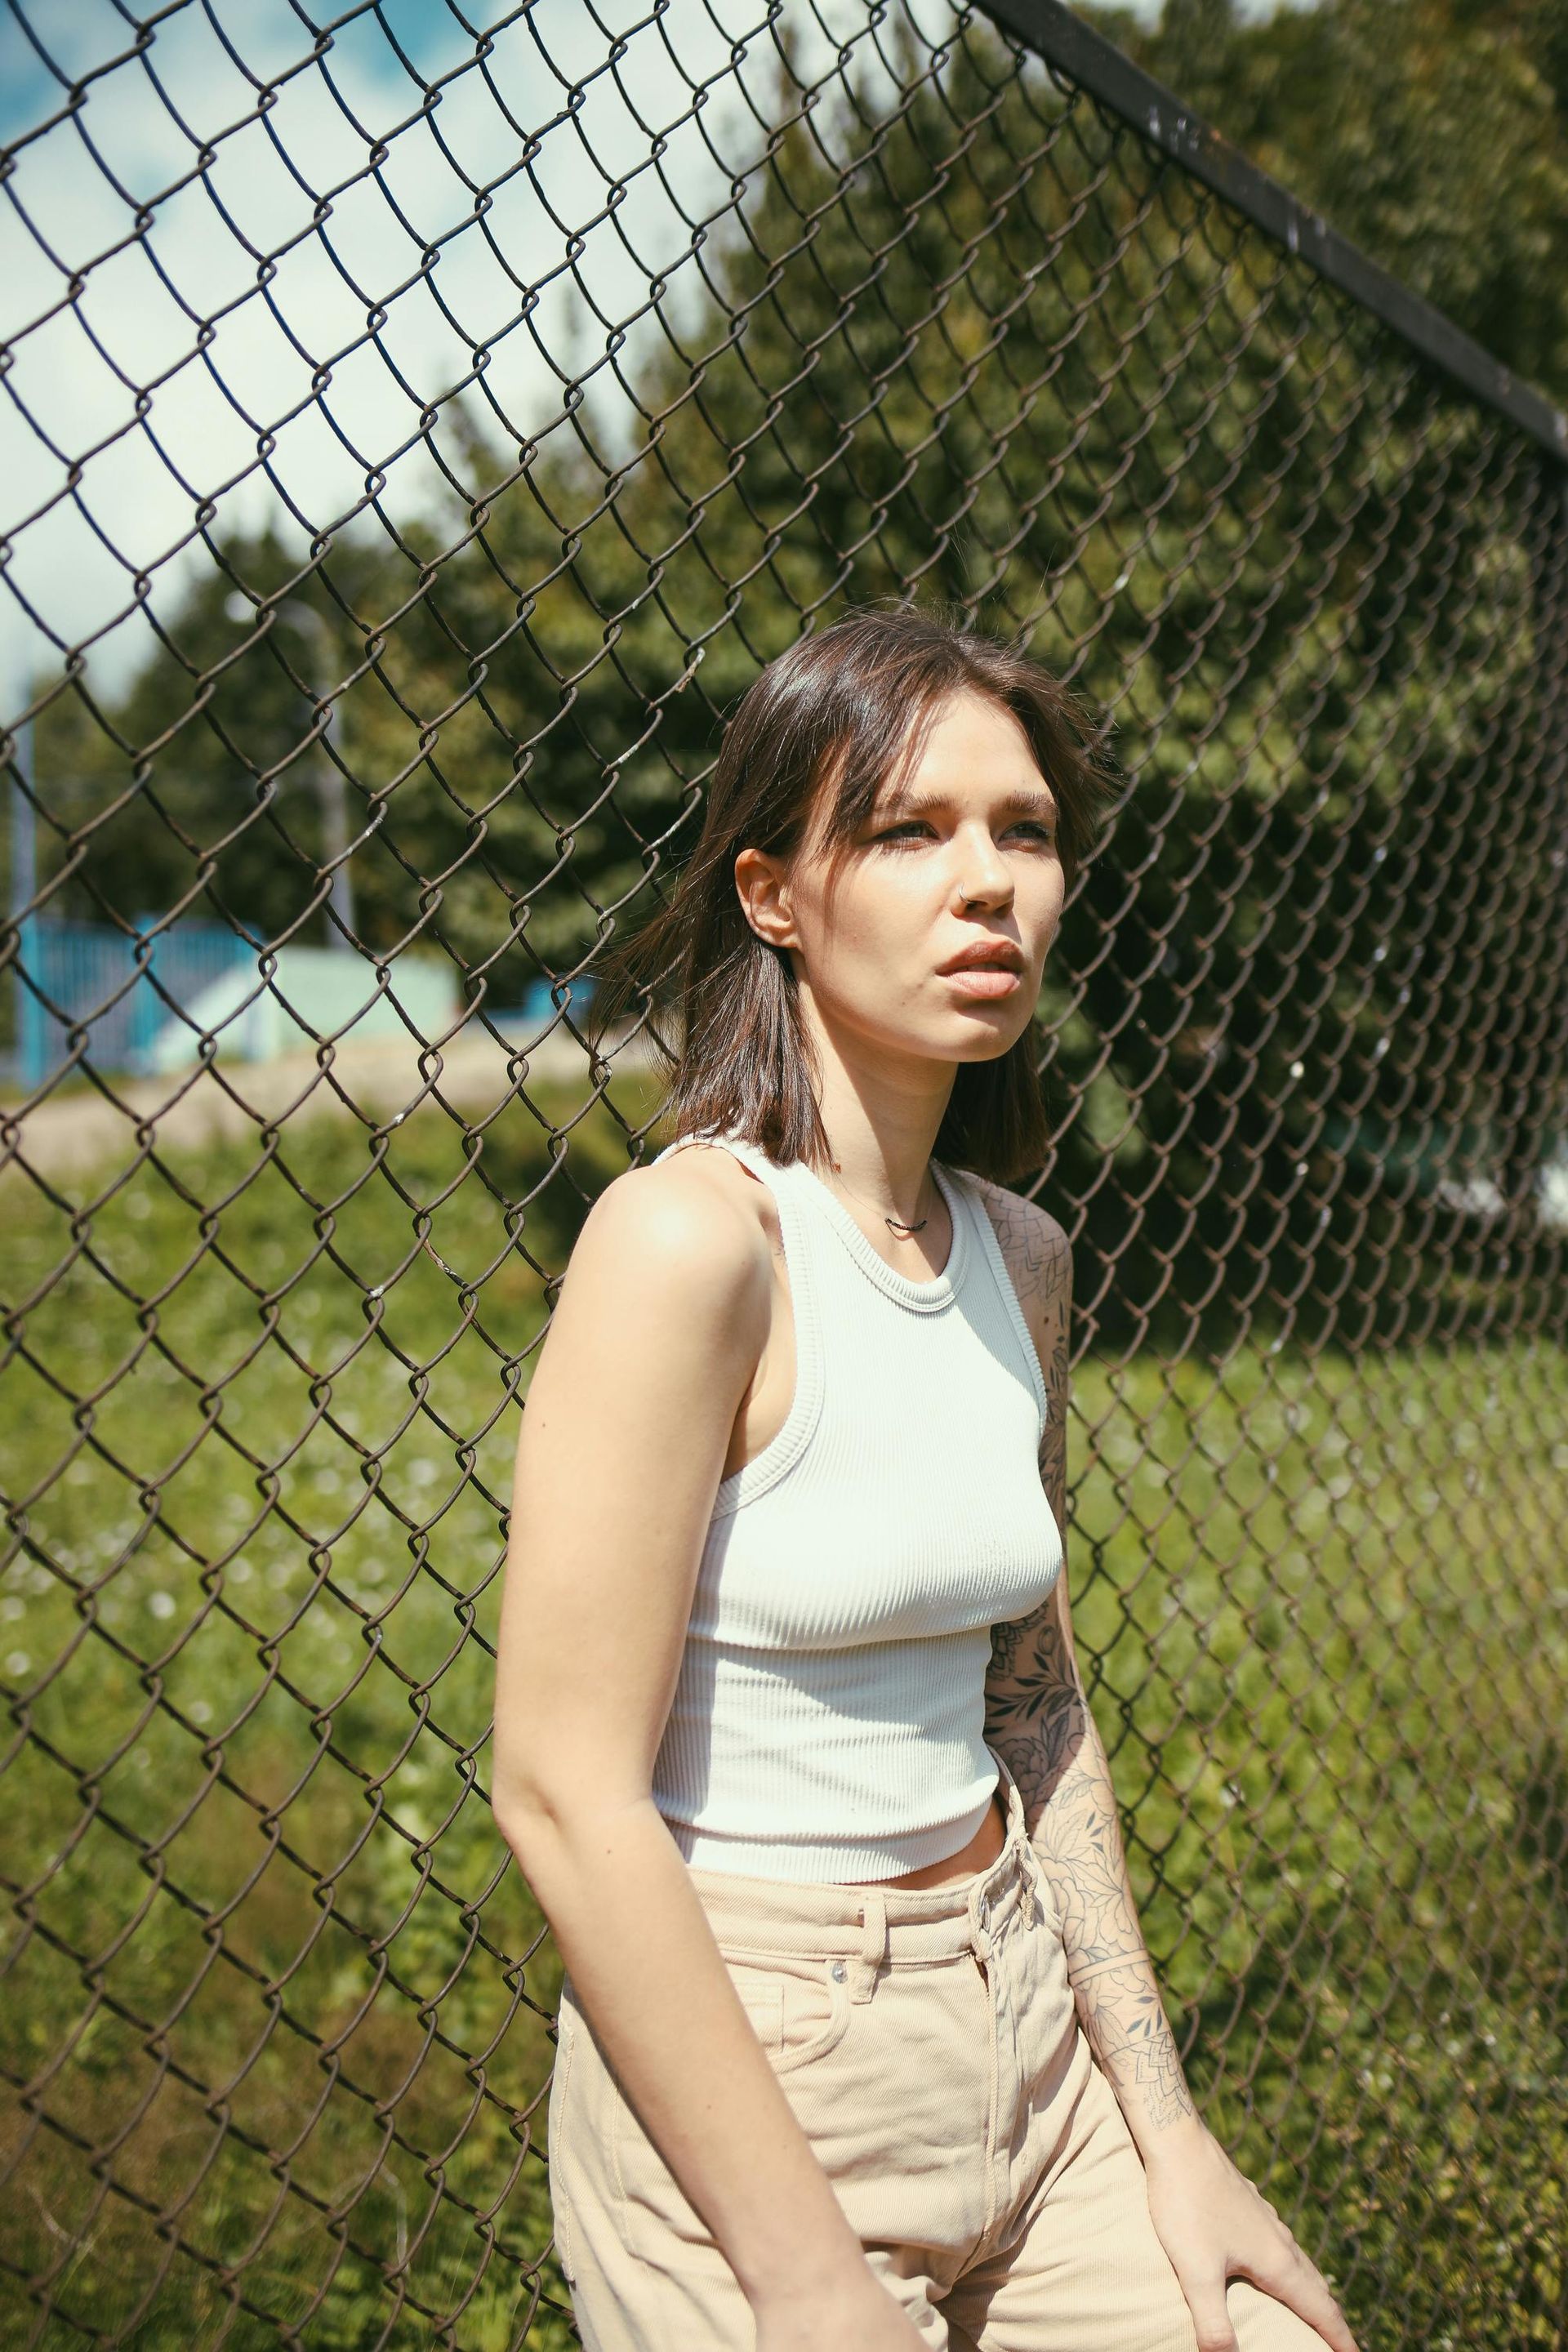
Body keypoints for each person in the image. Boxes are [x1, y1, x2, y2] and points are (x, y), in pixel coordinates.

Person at [490, 605, 1360, 2352]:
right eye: (908, 830)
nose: (992, 886)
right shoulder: (690, 1243)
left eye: (1023, 831)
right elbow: (563, 1791)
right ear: (773, 894)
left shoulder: (1020, 1256)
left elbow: (1034, 1708)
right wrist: (809, 2284)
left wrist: (1170, 2138)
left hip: (1024, 2027)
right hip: (761, 2058)